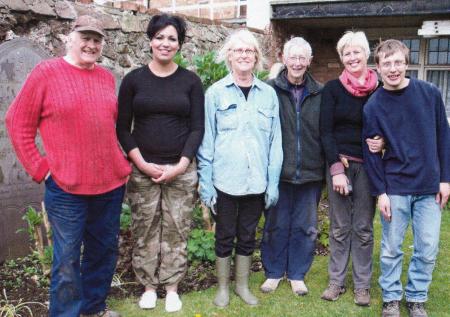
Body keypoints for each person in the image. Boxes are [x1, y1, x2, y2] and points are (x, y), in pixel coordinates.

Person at [5, 15, 131, 317]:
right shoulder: (46, 73)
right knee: (66, 259)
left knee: (103, 252)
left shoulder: (104, 77)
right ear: (69, 38)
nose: (91, 44)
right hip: (66, 188)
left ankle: (94, 308)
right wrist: (41, 168)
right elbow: (17, 122)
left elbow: (106, 125)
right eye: (85, 38)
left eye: (97, 40)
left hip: (109, 185)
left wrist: (119, 161)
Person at [116, 14, 204, 313]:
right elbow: (121, 128)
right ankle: (149, 288)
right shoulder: (133, 80)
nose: (165, 43)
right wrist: (141, 163)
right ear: (150, 40)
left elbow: (197, 129)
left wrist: (180, 166)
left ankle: (172, 288)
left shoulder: (190, 81)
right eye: (160, 37)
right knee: (145, 229)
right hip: (143, 170)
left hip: (180, 171)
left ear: (179, 44)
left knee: (177, 229)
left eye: (172, 39)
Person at [363, 39, 450, 317]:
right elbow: (371, 152)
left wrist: (445, 179)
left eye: (397, 62)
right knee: (391, 248)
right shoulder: (374, 105)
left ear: (406, 62)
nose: (393, 68)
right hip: (396, 186)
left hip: (428, 187)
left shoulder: (430, 94)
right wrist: (381, 192)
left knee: (427, 247)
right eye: (386, 63)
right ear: (377, 68)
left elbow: (444, 138)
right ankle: (391, 298)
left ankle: (416, 298)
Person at [197, 29, 283, 307]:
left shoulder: (268, 95)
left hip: (256, 182)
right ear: (229, 57)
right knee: (224, 235)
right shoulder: (215, 94)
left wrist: (272, 183)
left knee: (247, 236)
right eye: (238, 51)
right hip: (225, 181)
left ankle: (242, 286)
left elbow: (275, 144)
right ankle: (223, 287)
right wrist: (206, 184)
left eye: (249, 51)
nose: (244, 55)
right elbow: (207, 142)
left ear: (256, 57)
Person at [319, 31, 383, 306]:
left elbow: (388, 125)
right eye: (347, 53)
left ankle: (362, 286)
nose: (352, 57)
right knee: (340, 227)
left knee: (364, 228)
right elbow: (325, 131)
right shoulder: (333, 89)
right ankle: (336, 282)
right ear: (341, 58)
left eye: (357, 51)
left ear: (366, 54)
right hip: (340, 165)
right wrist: (336, 169)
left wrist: (384, 143)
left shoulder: (380, 89)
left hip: (370, 167)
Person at [260, 37, 324, 296]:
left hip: (310, 172)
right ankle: (274, 272)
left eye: (302, 58)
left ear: (309, 61)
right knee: (275, 223)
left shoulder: (321, 92)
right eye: (292, 57)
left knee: (305, 226)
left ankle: (297, 274)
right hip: (278, 172)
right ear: (283, 59)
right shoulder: (269, 90)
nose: (297, 63)